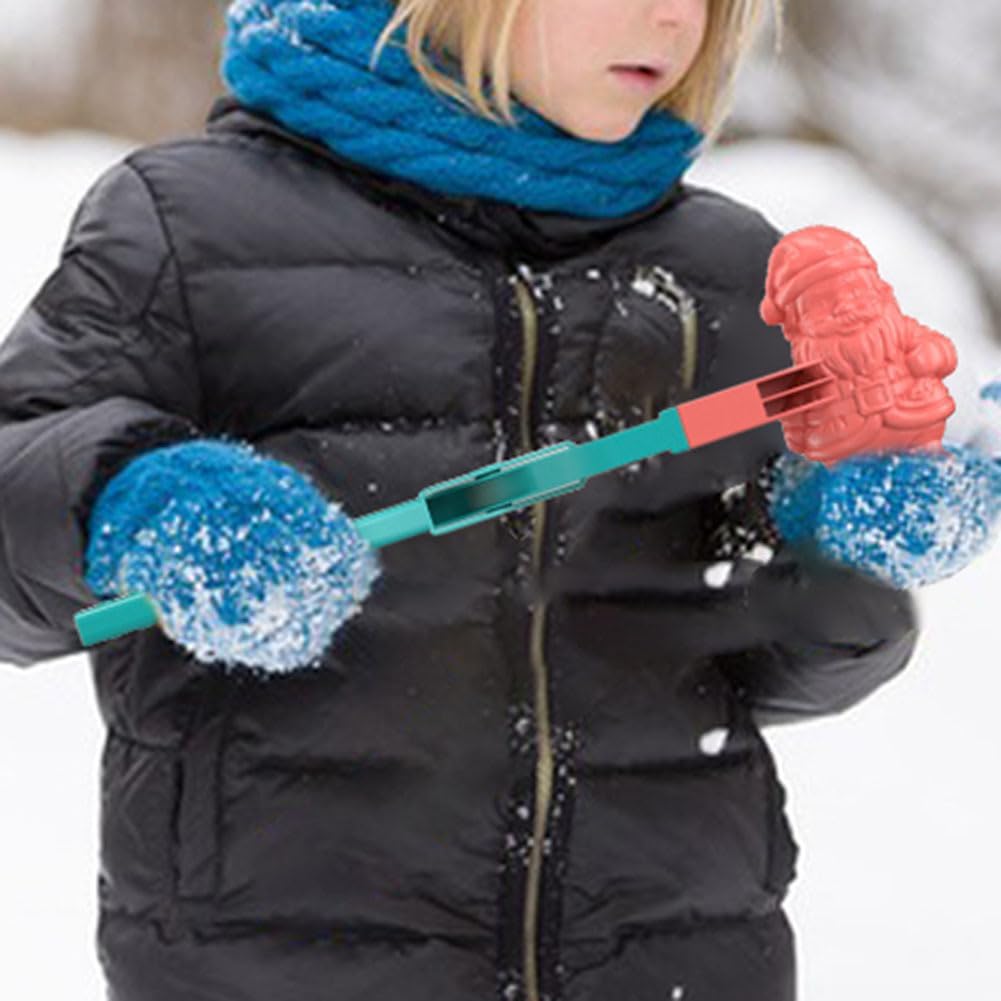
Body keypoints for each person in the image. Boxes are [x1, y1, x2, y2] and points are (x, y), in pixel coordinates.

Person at [1, 2, 998, 999]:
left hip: (669, 966)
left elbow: (762, 667)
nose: (671, 18)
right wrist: (136, 502)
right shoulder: (194, 227)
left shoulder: (728, 271)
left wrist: (839, 549)